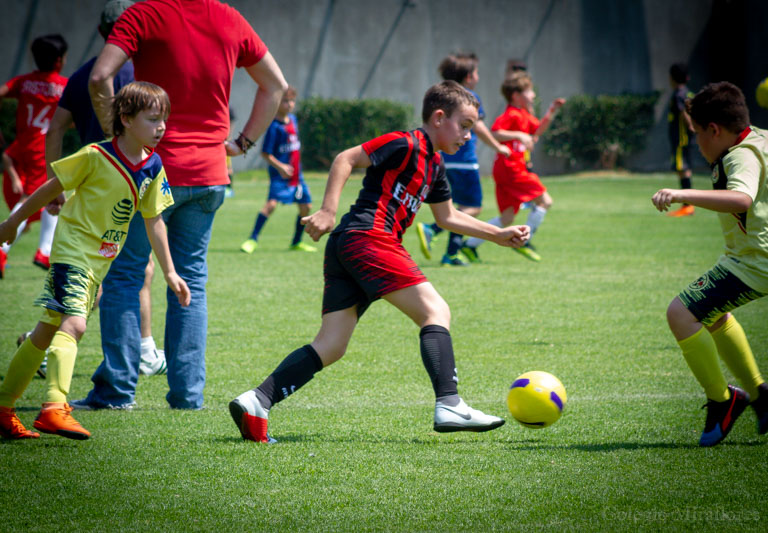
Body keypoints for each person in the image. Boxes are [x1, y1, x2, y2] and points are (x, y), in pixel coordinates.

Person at [229, 81, 530, 443]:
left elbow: (448, 217)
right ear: (438, 117)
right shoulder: (405, 143)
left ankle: (257, 401)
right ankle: (449, 402)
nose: (469, 135)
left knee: (332, 345)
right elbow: (346, 158)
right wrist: (327, 209)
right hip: (369, 237)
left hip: (350, 244)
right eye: (464, 125)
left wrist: (497, 235)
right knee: (435, 311)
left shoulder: (434, 165)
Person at [73, 0, 287, 410]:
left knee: (124, 277)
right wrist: (242, 143)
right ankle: (187, 397)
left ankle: (116, 392)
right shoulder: (229, 18)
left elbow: (101, 76)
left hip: (150, 171)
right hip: (209, 174)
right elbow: (274, 85)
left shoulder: (143, 14)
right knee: (191, 281)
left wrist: (114, 136)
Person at [0, 82, 190, 440]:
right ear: (125, 119)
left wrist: (169, 271)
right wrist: (13, 222)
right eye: (153, 119)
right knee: (74, 326)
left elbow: (154, 220)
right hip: (71, 254)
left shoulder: (153, 166)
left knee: (47, 331)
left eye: (164, 119)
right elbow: (50, 188)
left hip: (97, 265)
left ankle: (0, 408)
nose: (162, 127)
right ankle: (54, 408)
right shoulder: (95, 155)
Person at [44, 0, 165, 377]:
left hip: (86, 192)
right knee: (135, 271)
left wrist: (57, 184)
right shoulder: (137, 75)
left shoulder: (82, 73)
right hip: (125, 189)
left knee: (94, 277)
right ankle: (142, 351)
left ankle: (47, 342)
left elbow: (55, 128)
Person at [651, 81, 768, 447]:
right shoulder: (761, 138)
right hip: (749, 258)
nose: (697, 142)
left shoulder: (739, 155)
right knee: (713, 314)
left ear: (714, 130)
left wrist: (683, 193)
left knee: (680, 313)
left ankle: (723, 400)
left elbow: (741, 199)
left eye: (697, 133)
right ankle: (762, 398)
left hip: (755, 262)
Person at [415, 52, 511, 266]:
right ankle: (436, 233)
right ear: (468, 76)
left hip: (445, 159)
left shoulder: (445, 95)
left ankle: (450, 251)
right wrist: (497, 147)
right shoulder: (469, 99)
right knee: (473, 206)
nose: (478, 76)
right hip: (465, 160)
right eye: (476, 72)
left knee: (460, 204)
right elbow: (479, 127)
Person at [0, 34, 68, 279]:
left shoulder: (25, 82)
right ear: (59, 61)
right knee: (45, 195)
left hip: (24, 143)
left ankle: (42, 250)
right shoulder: (63, 85)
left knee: (43, 197)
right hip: (44, 146)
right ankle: (5, 247)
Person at [462, 71, 564, 262]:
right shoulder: (511, 114)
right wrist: (518, 135)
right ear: (516, 96)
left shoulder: (524, 114)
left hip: (506, 170)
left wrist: (551, 111)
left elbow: (537, 130)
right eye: (529, 91)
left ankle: (469, 246)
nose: (533, 95)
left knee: (507, 218)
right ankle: (525, 241)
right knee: (545, 201)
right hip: (512, 169)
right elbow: (495, 132)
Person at [240, 85, 316, 254]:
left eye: (291, 101)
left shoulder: (293, 120)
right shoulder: (274, 126)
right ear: (277, 103)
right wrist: (281, 167)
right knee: (271, 205)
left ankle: (296, 242)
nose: (289, 105)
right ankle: (252, 239)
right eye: (285, 101)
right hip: (279, 176)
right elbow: (265, 153)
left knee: (306, 206)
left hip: (297, 175)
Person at [666, 62, 696, 217]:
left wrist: (691, 126)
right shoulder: (688, 92)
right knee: (685, 169)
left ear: (672, 78)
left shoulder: (679, 94)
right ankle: (688, 205)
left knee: (682, 169)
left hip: (680, 138)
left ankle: (687, 205)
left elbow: (683, 111)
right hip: (684, 139)